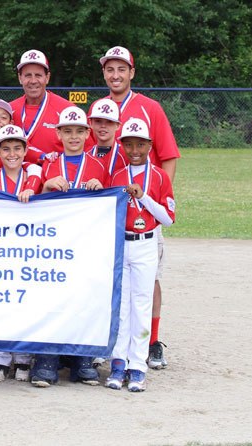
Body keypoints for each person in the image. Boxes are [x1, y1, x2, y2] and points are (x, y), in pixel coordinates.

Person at [97, 45, 181, 368]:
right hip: (115, 211)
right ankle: (116, 345)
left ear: (132, 72)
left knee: (150, 278)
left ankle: (152, 341)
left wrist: (157, 199)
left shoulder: (149, 108)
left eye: (121, 69)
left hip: (146, 211)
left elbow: (169, 156)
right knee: (117, 278)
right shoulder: (101, 108)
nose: (115, 75)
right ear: (104, 73)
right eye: (109, 69)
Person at [30, 106, 104, 388]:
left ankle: (81, 357)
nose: (74, 136)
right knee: (50, 298)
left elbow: (111, 204)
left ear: (88, 134)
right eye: (67, 131)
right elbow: (31, 201)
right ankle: (46, 357)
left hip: (85, 245)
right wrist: (47, 187)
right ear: (58, 134)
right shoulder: (48, 165)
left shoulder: (97, 167)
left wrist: (101, 187)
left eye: (79, 131)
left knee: (84, 297)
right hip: (53, 245)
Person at [107, 118, 175, 391]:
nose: (135, 149)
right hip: (123, 243)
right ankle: (118, 363)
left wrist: (144, 196)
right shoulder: (117, 176)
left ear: (149, 145)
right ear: (122, 145)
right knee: (121, 307)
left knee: (141, 304)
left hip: (146, 243)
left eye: (141, 144)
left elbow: (168, 218)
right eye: (129, 144)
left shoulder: (159, 176)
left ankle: (138, 365)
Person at [9, 50, 73, 155]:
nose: (33, 81)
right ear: (20, 78)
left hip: (56, 170)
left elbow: (85, 150)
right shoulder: (8, 111)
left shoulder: (67, 110)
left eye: (38, 75)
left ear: (47, 78)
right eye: (28, 75)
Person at [0, 125, 41, 202]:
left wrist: (47, 186)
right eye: (6, 149)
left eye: (17, 148)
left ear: (25, 150)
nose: (12, 154)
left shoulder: (36, 179)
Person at [87, 98, 127, 182]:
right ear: (90, 123)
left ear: (118, 125)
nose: (103, 126)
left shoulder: (126, 156)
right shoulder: (85, 154)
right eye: (98, 121)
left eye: (109, 122)